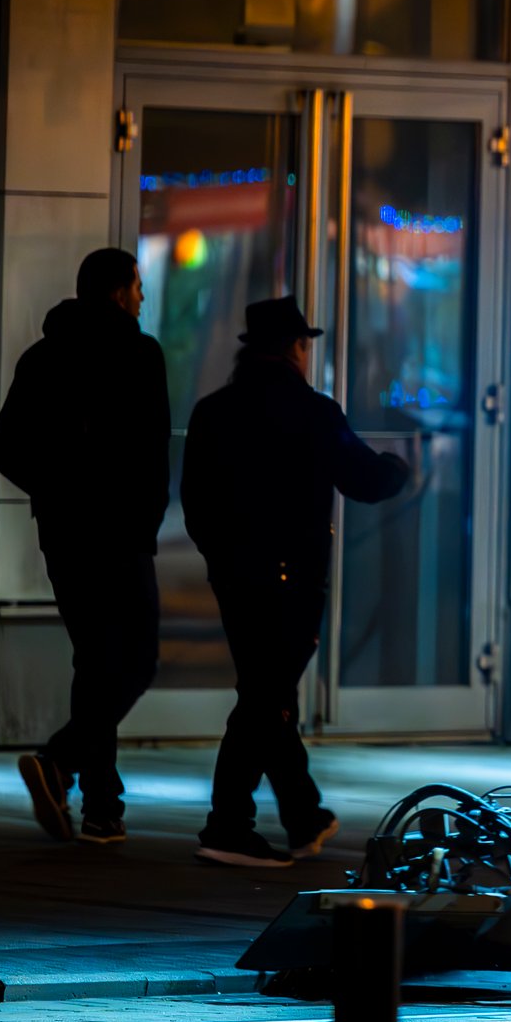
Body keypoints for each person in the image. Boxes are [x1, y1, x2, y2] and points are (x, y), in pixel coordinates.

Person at [180, 297, 410, 868]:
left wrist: (219, 556)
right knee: (264, 696)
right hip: (291, 580)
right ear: (296, 349)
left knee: (268, 690)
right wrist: (399, 468)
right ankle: (227, 825)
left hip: (234, 576)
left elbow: (193, 499)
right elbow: (362, 477)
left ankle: (303, 815)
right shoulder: (311, 411)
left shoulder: (213, 412)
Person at [0, 247, 169, 846]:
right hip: (120, 532)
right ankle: (62, 763)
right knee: (136, 657)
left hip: (64, 534)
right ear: (120, 292)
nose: (142, 298)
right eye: (138, 287)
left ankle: (101, 807)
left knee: (97, 660)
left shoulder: (43, 357)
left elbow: (4, 447)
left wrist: (57, 490)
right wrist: (145, 519)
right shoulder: (140, 355)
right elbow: (152, 452)